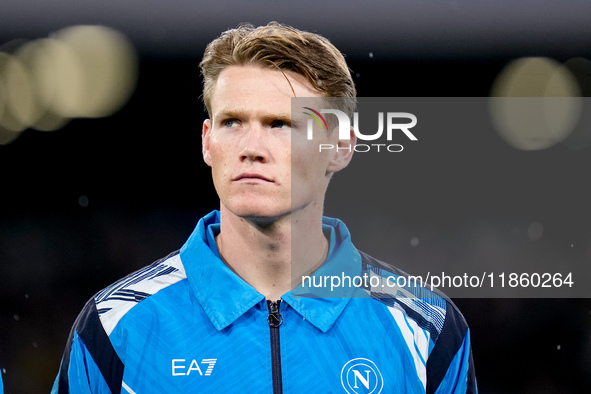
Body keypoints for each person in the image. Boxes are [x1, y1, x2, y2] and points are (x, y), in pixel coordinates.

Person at [52, 22, 477, 393]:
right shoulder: (116, 326)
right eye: (232, 122)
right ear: (207, 140)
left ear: (341, 148)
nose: (250, 148)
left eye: (281, 124)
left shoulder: (427, 330)